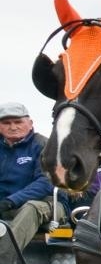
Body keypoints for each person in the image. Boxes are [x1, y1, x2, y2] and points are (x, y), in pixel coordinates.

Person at [0, 101, 54, 247]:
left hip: (47, 203)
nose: (13, 127)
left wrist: (11, 201)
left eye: (18, 122)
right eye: (6, 123)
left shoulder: (44, 145)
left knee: (31, 208)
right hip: (7, 206)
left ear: (30, 123)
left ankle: (4, 259)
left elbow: (46, 183)